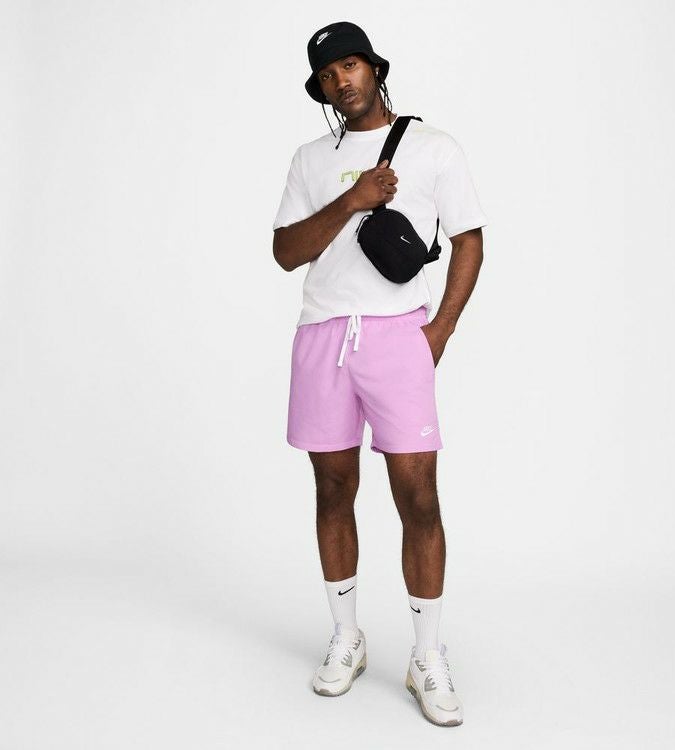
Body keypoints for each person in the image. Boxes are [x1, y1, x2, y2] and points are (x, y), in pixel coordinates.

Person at [271, 20, 487, 727]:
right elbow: (286, 252)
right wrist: (352, 200)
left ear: (373, 68)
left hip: (398, 337)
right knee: (333, 489)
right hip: (322, 334)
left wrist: (440, 329)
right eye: (328, 74)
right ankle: (347, 636)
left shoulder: (434, 148)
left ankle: (427, 655)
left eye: (351, 65)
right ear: (321, 87)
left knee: (418, 495)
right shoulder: (309, 159)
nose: (342, 80)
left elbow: (469, 241)